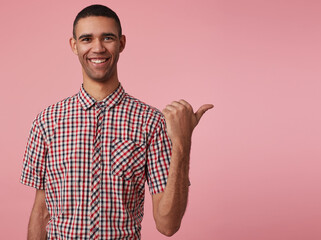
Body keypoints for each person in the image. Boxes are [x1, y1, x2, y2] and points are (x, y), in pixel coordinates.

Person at [20, 4, 213, 240]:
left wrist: (182, 143)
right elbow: (41, 212)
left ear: (121, 43)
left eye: (107, 38)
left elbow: (168, 225)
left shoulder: (150, 122)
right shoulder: (47, 122)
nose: (98, 48)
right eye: (87, 39)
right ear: (74, 45)